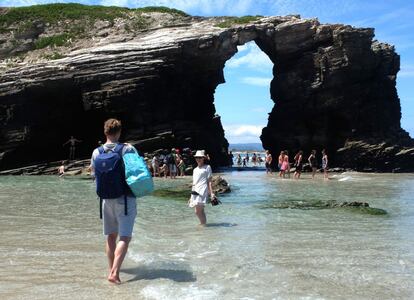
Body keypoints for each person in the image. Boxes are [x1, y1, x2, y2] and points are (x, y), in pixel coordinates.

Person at [90, 118, 137, 285]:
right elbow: (136, 174)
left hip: (105, 199)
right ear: (119, 132)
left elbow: (94, 176)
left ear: (105, 132)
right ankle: (115, 273)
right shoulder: (127, 149)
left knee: (110, 236)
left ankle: (111, 269)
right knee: (124, 237)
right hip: (124, 199)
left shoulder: (96, 152)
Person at [188, 150, 214, 226]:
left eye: (200, 157)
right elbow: (194, 183)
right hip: (195, 190)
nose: (198, 159)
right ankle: (204, 224)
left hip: (203, 190)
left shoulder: (207, 167)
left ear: (203, 158)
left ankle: (203, 225)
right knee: (199, 211)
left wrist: (211, 193)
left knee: (198, 211)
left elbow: (209, 181)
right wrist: (191, 196)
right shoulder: (194, 170)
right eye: (197, 157)